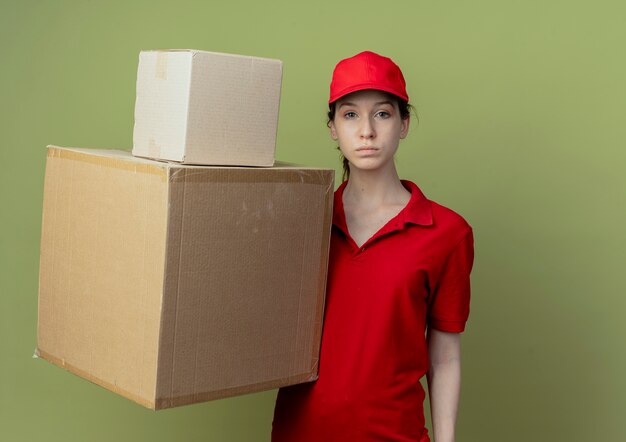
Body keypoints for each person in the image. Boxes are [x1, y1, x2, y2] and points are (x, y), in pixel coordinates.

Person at [271, 51, 474, 442]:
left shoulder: (448, 233)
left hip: (395, 433)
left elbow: (444, 356)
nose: (366, 131)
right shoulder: (301, 224)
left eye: (382, 113)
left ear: (404, 124)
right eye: (350, 115)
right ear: (332, 127)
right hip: (301, 433)